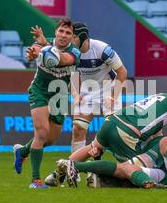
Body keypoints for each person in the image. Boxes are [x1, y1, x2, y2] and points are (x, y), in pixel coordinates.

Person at [47, 85, 167, 186]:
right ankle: (95, 176)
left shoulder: (157, 97)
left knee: (93, 147)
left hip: (112, 122)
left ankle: (56, 174)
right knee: (132, 168)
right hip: (127, 133)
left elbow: (156, 134)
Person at [44, 22, 127, 186]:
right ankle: (74, 170)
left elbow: (122, 72)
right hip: (88, 93)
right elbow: (72, 75)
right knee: (78, 129)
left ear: (81, 37)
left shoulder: (102, 49)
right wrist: (76, 95)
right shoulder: (71, 52)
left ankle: (127, 169)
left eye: (73, 36)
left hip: (108, 91)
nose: (69, 39)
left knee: (115, 134)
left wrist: (113, 96)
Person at [13, 19, 81, 189]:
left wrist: (43, 49)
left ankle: (22, 152)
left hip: (60, 95)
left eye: (68, 33)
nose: (64, 35)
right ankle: (35, 181)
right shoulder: (44, 46)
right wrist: (34, 52)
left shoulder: (75, 53)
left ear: (72, 37)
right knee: (41, 133)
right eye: (61, 31)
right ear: (56, 32)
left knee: (50, 140)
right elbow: (35, 49)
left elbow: (64, 59)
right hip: (40, 91)